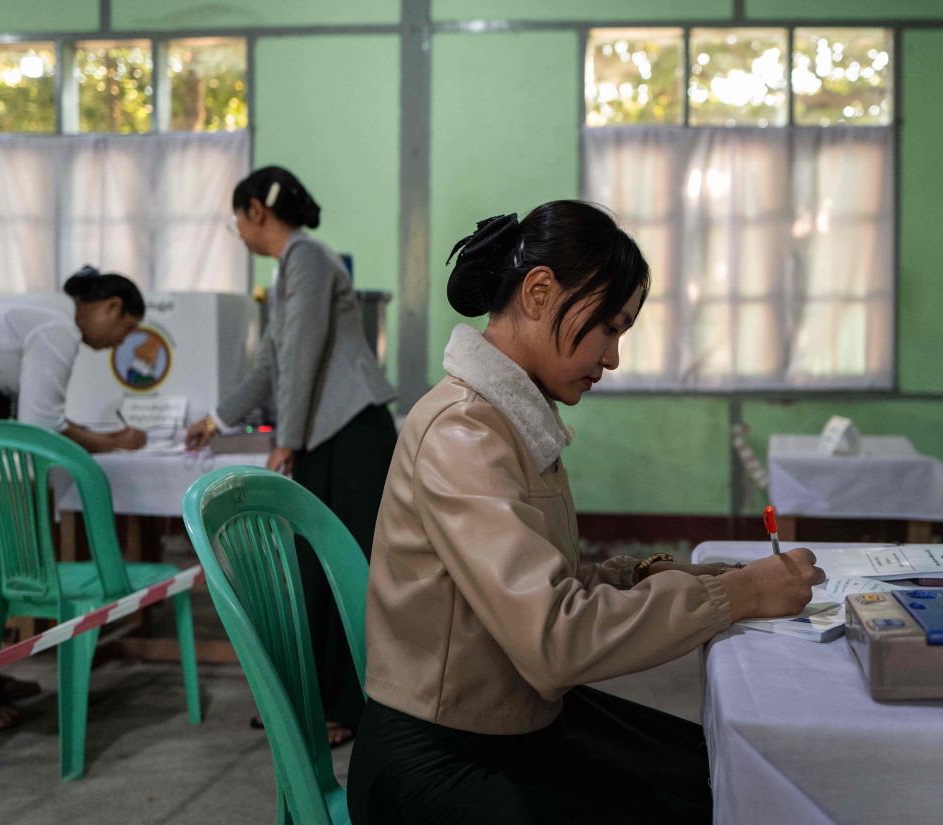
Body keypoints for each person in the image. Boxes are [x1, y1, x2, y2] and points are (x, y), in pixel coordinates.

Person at [347, 201, 824, 823]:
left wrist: (645, 578)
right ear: (541, 292)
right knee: (705, 798)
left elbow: (536, 588)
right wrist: (737, 598)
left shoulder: (509, 418)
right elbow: (554, 640)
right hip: (440, 765)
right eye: (610, 327)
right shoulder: (463, 431)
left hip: (511, 725)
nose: (613, 357)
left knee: (710, 769)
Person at [184, 165, 398, 747]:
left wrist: (287, 440)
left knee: (340, 571)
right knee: (312, 569)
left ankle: (347, 707)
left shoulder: (307, 257)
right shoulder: (292, 267)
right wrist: (219, 420)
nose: (238, 230)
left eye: (237, 217)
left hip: (352, 434)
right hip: (326, 434)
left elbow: (302, 357)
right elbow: (272, 363)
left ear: (257, 209)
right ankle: (311, 702)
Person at [0, 266, 149, 735]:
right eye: (126, 329)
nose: (118, 344)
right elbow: (40, 429)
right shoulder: (58, 328)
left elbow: (38, 420)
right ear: (110, 307)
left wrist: (104, 440)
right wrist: (111, 443)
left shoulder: (44, 308)